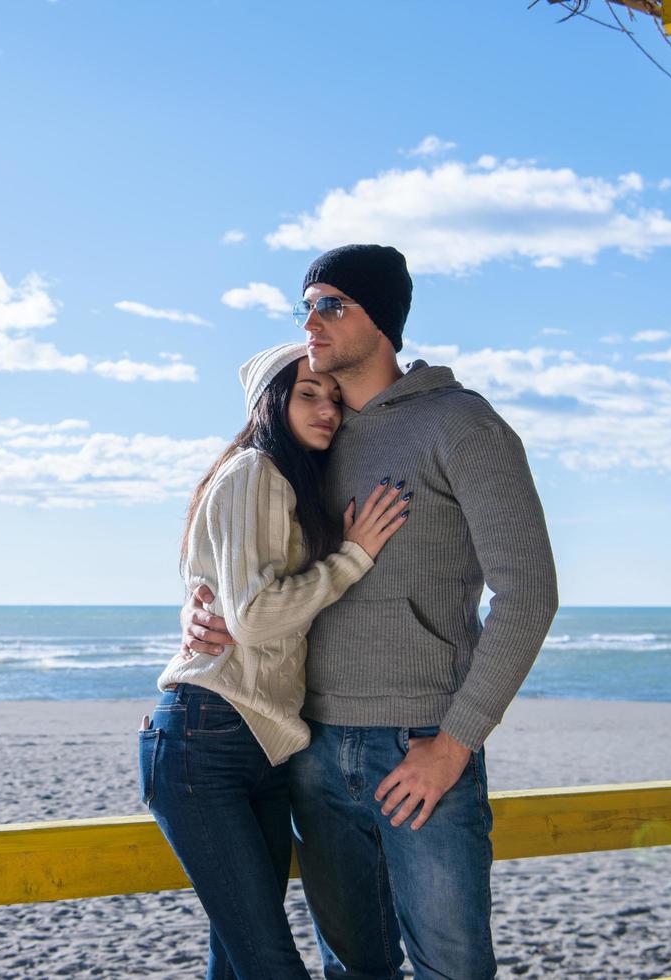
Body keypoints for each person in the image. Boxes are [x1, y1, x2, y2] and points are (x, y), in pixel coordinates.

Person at [180, 245, 559, 980]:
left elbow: (529, 593)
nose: (310, 322)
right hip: (311, 746)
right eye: (306, 305)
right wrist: (199, 612)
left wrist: (453, 745)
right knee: (354, 971)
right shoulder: (311, 438)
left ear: (380, 321)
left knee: (453, 969)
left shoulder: (461, 424)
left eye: (331, 304)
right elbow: (239, 543)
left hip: (422, 748)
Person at [139, 342, 410, 980]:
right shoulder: (255, 471)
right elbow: (254, 617)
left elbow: (228, 596)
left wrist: (195, 607)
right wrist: (354, 555)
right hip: (206, 742)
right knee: (269, 963)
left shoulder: (285, 481)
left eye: (335, 398)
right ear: (271, 403)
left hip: (259, 745)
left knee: (235, 963)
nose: (327, 410)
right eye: (308, 394)